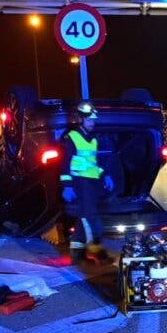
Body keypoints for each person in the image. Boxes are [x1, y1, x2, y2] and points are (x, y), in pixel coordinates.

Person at [59, 100, 115, 262]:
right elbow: (65, 164)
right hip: (79, 183)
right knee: (90, 218)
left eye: (93, 120)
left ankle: (77, 254)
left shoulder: (94, 140)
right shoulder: (72, 138)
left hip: (92, 184)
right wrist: (67, 186)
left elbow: (94, 164)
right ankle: (97, 249)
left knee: (84, 217)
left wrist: (106, 175)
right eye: (90, 120)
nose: (92, 123)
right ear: (81, 119)